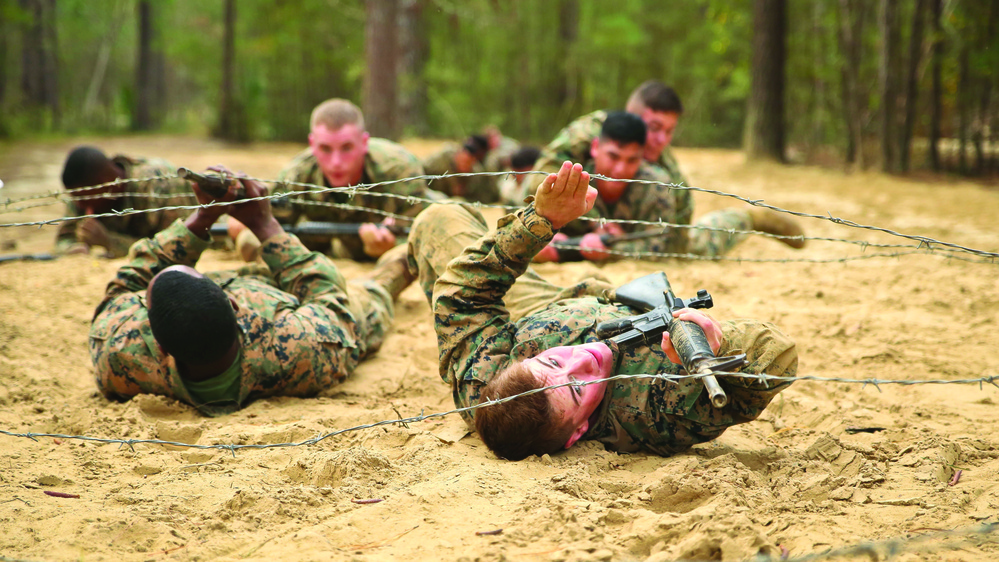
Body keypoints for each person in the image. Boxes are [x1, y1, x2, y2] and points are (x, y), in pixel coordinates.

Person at [406, 161, 798, 460]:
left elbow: (460, 295)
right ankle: (747, 217)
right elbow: (778, 357)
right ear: (576, 434)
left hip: (539, 305)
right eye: (576, 389)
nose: (581, 359)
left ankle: (394, 268)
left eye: (551, 364)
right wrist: (718, 340)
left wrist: (541, 222)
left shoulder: (487, 389)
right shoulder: (655, 411)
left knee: (437, 219)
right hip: (625, 309)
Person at [90, 168, 413, 416]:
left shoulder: (121, 355)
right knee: (375, 288)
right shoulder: (298, 347)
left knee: (258, 261)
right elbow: (329, 294)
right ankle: (253, 241)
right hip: (294, 306)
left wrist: (203, 216)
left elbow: (124, 285)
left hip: (254, 285)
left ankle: (248, 244)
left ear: (157, 338)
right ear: (233, 303)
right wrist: (265, 225)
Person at [533, 112, 806, 263]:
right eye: (613, 156)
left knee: (699, 245)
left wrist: (580, 250)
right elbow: (529, 210)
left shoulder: (656, 182)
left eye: (631, 160)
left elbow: (660, 247)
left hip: (644, 235)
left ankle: (748, 218)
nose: (619, 170)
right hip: (592, 234)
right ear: (595, 147)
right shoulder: (569, 175)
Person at [232, 98, 438, 263]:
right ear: (312, 145)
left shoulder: (399, 169)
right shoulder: (297, 174)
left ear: (364, 143)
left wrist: (392, 246)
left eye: (347, 148)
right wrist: (242, 220)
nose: (336, 162)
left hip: (416, 214)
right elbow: (269, 219)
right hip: (328, 242)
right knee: (249, 240)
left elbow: (421, 229)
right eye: (325, 149)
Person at [56, 146, 195, 258]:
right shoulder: (85, 193)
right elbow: (64, 237)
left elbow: (175, 247)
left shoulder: (159, 185)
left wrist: (110, 241)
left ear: (106, 184)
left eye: (85, 201)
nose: (81, 206)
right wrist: (73, 248)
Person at [421, 134, 496, 202]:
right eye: (464, 161)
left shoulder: (476, 175)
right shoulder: (439, 161)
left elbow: (483, 196)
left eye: (469, 162)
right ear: (458, 153)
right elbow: (421, 174)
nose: (465, 164)